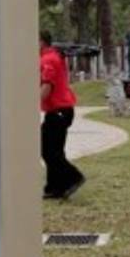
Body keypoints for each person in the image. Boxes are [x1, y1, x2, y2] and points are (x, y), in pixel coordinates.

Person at [40, 31, 85, 200]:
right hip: (61, 111)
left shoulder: (48, 59)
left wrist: (30, 104)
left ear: (41, 42)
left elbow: (47, 86)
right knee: (52, 150)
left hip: (58, 111)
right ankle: (55, 188)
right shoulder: (52, 56)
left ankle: (74, 177)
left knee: (49, 151)